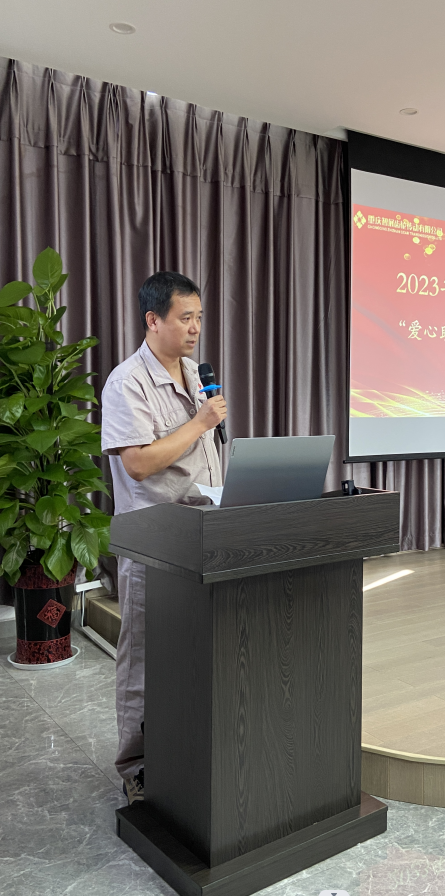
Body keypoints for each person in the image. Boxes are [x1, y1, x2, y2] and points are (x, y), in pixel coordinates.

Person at [101, 272, 227, 804]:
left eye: (199, 317)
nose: (195, 328)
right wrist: (200, 423)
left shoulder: (196, 373)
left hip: (205, 532)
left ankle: (186, 752)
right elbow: (137, 463)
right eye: (185, 318)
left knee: (196, 652)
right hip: (154, 540)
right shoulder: (126, 382)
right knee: (144, 660)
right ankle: (136, 767)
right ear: (153, 320)